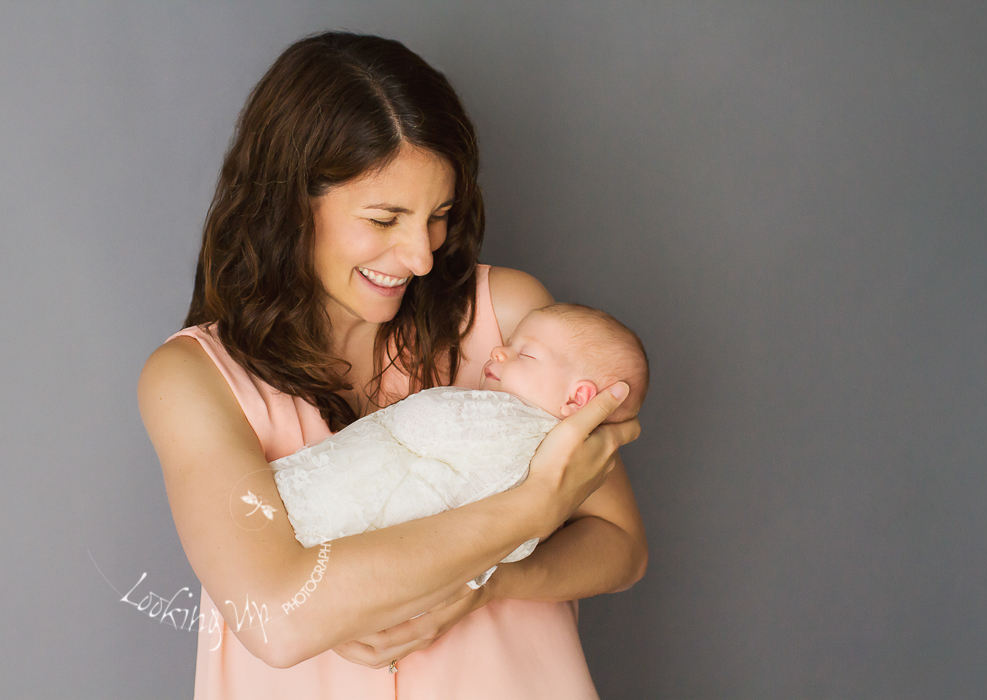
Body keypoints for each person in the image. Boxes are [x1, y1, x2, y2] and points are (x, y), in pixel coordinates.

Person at [138, 31, 645, 699]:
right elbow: (280, 618)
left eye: (439, 215)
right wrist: (527, 513)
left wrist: (495, 584)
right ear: (289, 205)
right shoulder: (192, 381)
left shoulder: (514, 323)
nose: (422, 256)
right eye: (384, 219)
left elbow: (621, 545)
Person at [271, 304, 649, 589]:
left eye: (526, 353)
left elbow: (425, 425)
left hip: (353, 546)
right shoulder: (549, 448)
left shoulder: (521, 428)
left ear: (578, 398)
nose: (499, 350)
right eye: (509, 342)